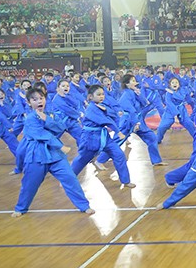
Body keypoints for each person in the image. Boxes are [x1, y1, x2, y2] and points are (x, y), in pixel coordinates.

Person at [12, 88, 94, 217]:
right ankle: (21, 208)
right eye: (34, 99)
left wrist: (46, 119)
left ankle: (84, 206)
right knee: (29, 184)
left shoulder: (51, 115)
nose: (39, 101)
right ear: (29, 103)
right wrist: (60, 145)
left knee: (70, 178)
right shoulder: (30, 118)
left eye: (41, 98)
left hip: (55, 156)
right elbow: (40, 133)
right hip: (36, 155)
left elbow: (60, 127)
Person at [71, 85, 136, 188]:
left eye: (102, 94)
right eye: (98, 94)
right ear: (90, 97)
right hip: (90, 138)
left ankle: (126, 180)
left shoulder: (101, 106)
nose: (101, 96)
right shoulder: (91, 108)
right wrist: (118, 132)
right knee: (82, 159)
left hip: (104, 137)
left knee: (119, 154)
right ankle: (68, 179)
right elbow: (105, 120)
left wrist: (117, 113)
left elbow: (112, 115)